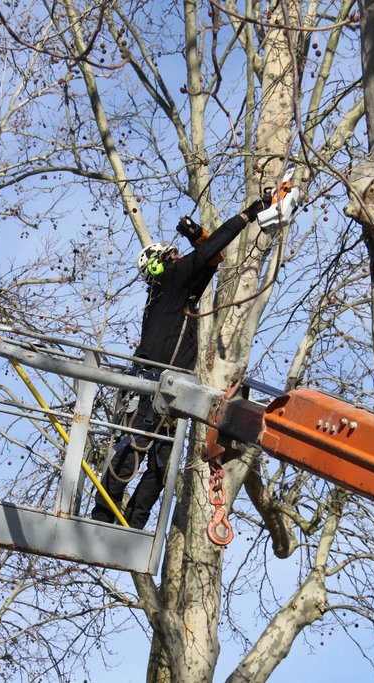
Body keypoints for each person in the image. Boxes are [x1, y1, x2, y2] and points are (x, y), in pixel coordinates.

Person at [91, 182, 300, 528]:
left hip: (172, 388)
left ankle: (131, 524)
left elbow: (209, 262)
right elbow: (207, 256)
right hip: (153, 384)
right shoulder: (169, 279)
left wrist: (196, 237)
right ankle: (103, 517)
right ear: (162, 263)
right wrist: (247, 214)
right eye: (173, 256)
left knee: (161, 462)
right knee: (133, 450)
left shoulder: (173, 294)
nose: (179, 259)